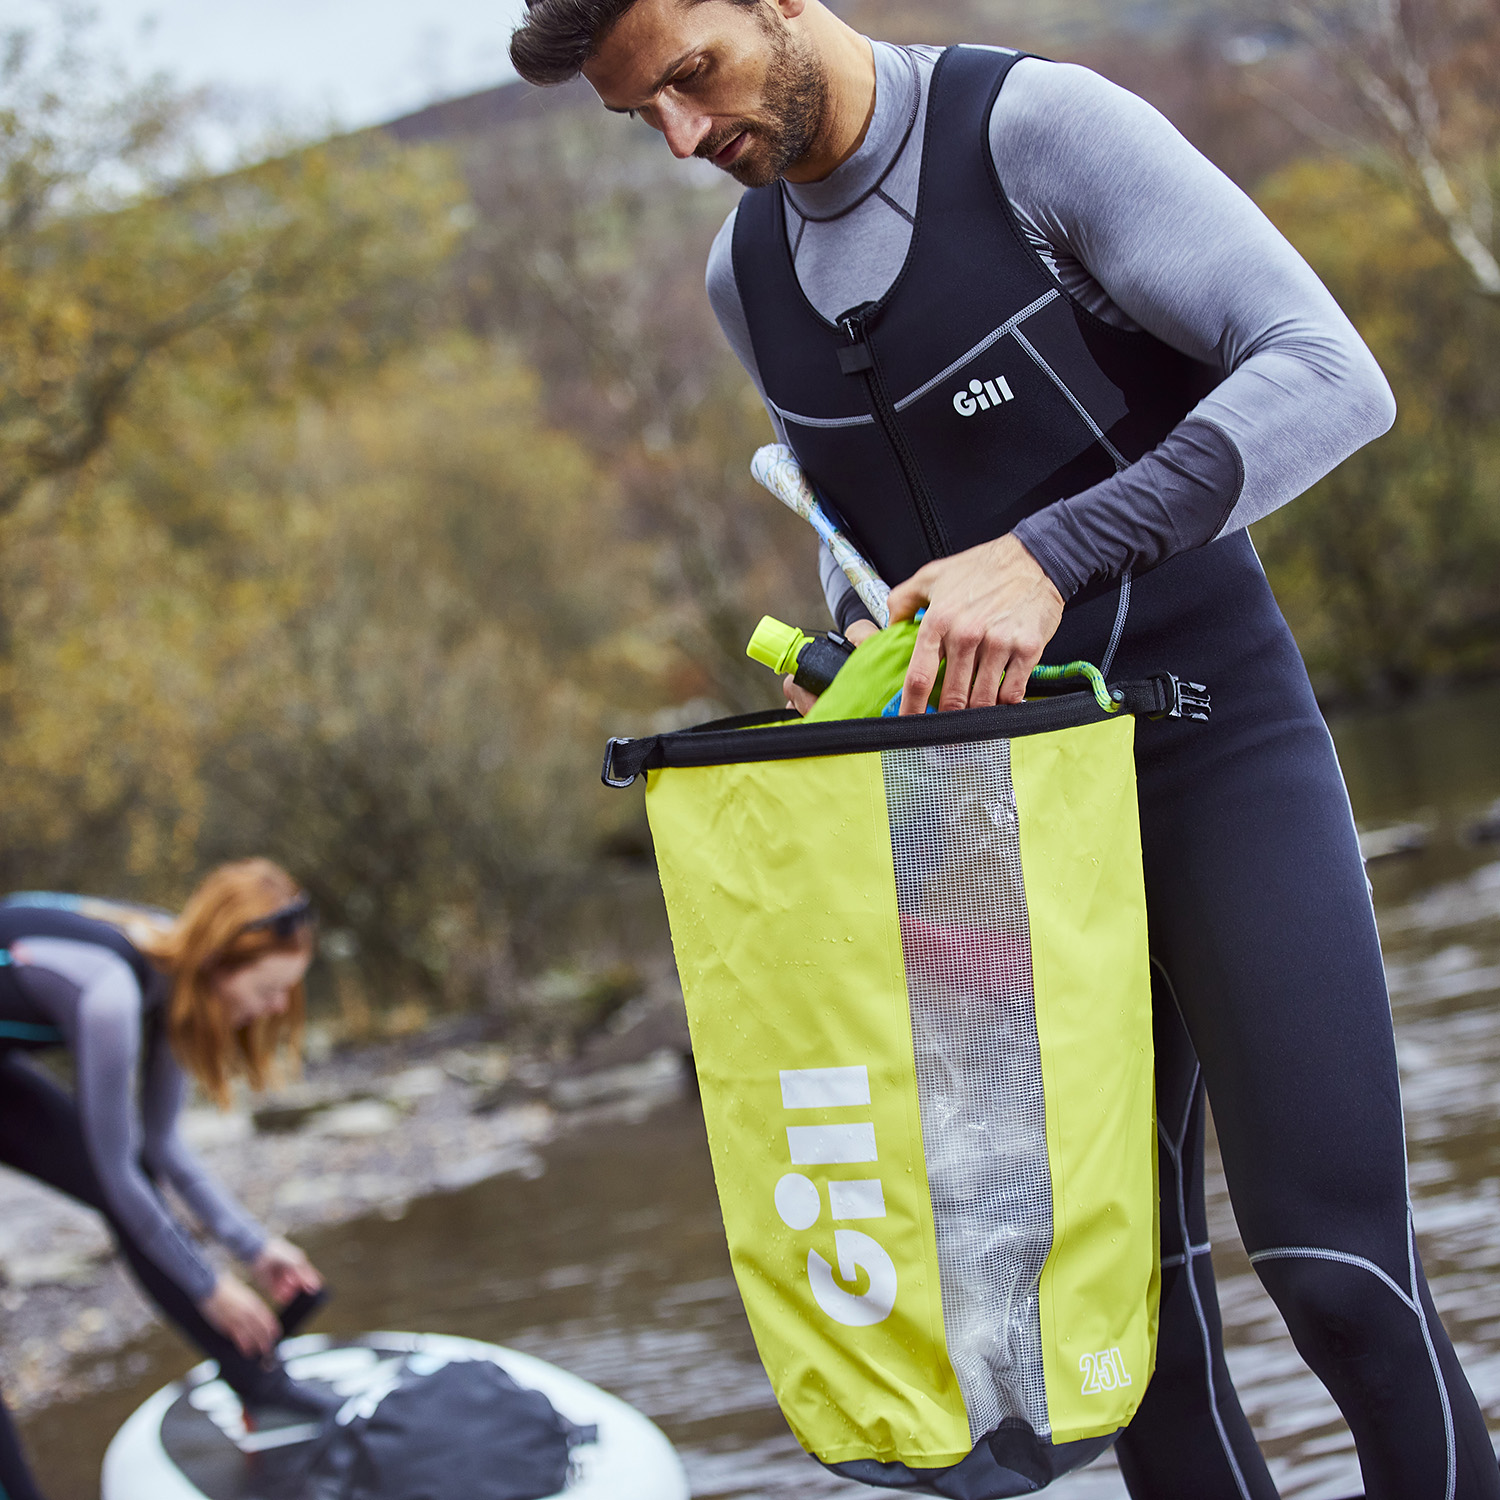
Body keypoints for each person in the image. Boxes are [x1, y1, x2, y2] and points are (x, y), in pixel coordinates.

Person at [510, 3, 1500, 1498]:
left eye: (689, 80)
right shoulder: (748, 278)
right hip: (1007, 847)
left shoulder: (1034, 133)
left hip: (1211, 756)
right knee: (1121, 1347)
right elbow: (884, 557)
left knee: (1340, 1285)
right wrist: (860, 677)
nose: (680, 138)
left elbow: (1330, 374)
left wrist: (1048, 553)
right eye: (635, 114)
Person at [0, 859, 331, 1500]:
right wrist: (210, 1285)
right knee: (121, 1185)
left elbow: (164, 1147)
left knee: (131, 1186)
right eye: (269, 988)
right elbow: (117, 1171)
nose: (279, 1005)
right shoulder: (111, 997)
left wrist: (254, 1248)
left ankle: (257, 1382)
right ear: (222, 963)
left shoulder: (176, 972)